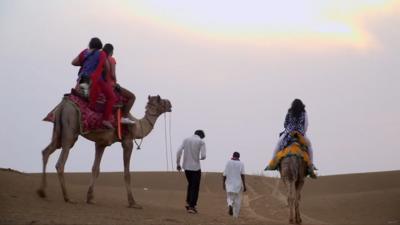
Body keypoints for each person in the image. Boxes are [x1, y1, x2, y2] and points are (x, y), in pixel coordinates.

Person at [71, 37, 116, 129]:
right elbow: (107, 68)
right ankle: (105, 120)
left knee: (79, 98)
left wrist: (85, 62)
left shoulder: (85, 52)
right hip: (94, 80)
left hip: (82, 79)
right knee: (111, 97)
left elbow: (73, 62)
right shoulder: (101, 53)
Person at [266, 99, 316, 178]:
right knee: (310, 147)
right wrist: (302, 132)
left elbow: (285, 123)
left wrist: (288, 129)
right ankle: (311, 167)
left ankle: (272, 163)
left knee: (278, 145)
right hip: (300, 133)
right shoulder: (304, 113)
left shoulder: (289, 112)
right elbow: (306, 124)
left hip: (289, 132)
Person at [102, 43, 136, 124]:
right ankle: (124, 117)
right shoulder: (111, 59)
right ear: (111, 51)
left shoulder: (102, 58)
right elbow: (113, 74)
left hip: (102, 84)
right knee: (132, 97)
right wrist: (115, 81)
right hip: (111, 85)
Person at [176, 130, 206, 214]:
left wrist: (178, 164)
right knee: (195, 187)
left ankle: (188, 202)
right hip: (196, 167)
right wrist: (201, 158)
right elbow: (203, 156)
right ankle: (192, 206)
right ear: (201, 135)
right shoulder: (201, 142)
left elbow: (178, 152)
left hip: (186, 167)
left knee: (190, 184)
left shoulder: (186, 140)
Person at [223, 152, 246, 218]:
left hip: (229, 184)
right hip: (238, 185)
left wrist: (223, 184)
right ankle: (235, 216)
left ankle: (230, 204)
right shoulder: (241, 164)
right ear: (239, 157)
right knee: (237, 200)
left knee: (229, 197)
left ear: (233, 156)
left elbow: (224, 174)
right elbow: (242, 175)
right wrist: (244, 185)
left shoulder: (228, 162)